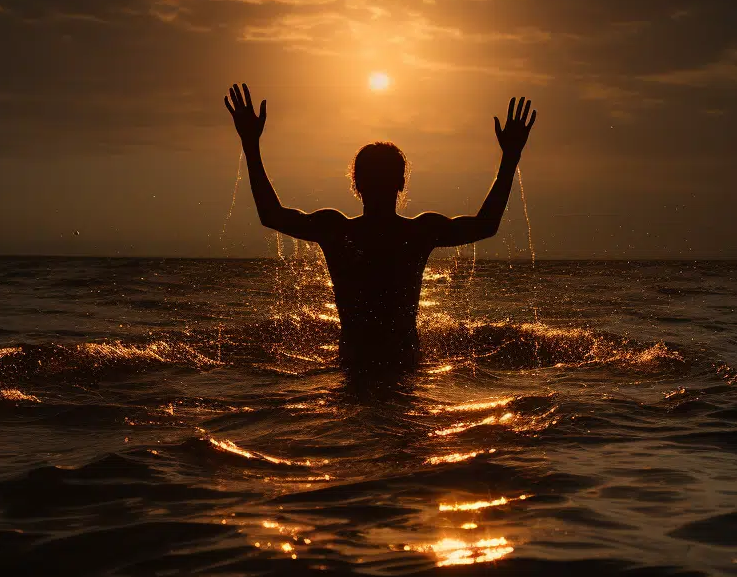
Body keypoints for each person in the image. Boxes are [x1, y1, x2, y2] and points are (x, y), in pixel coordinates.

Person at [224, 82, 536, 371]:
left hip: (353, 365)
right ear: (401, 183)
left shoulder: (337, 231)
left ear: (356, 184)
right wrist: (509, 158)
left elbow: (271, 215)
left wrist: (251, 145)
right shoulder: (417, 233)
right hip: (404, 365)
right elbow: (485, 225)